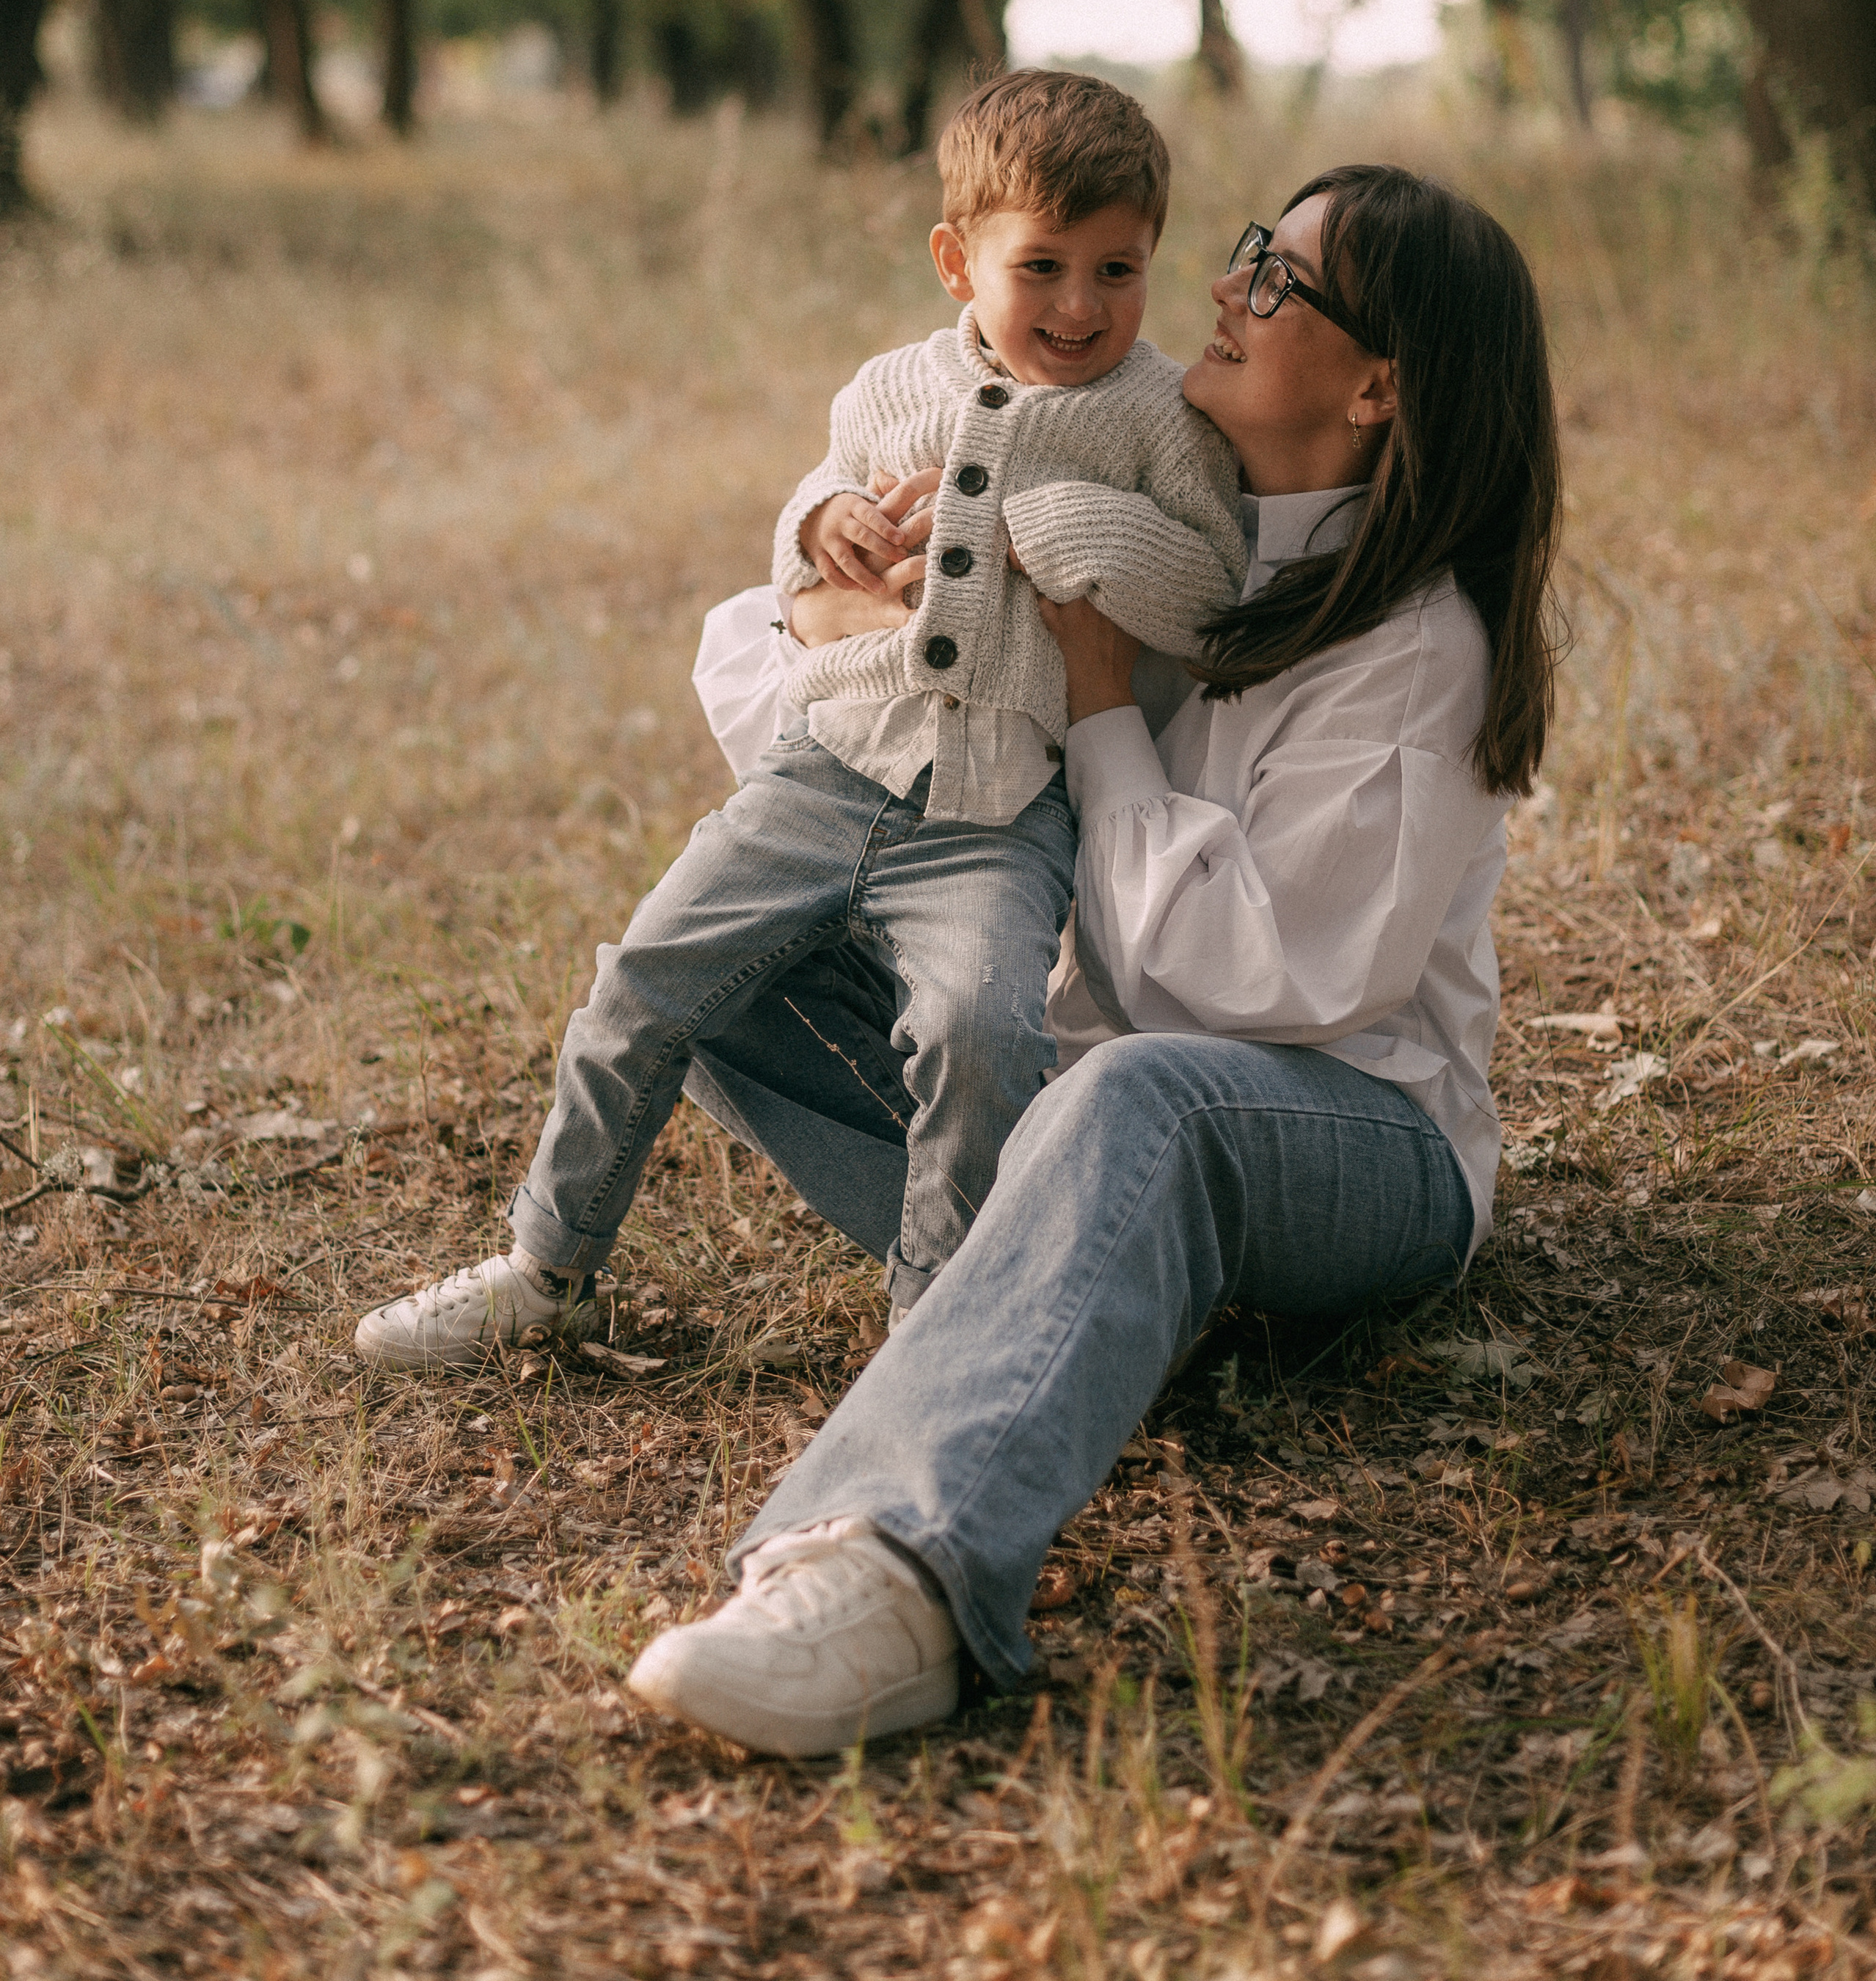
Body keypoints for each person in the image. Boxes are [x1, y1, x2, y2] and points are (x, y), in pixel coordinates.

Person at [625, 161, 1561, 1757]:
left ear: (1375, 385)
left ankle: (892, 1582)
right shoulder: (1165, 514)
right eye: (1248, 249)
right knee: (725, 965)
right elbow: (771, 629)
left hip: (1357, 1142)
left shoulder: (1411, 644)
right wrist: (833, 605)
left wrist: (1103, 703)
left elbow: (1257, 991)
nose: (1221, 284)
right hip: (1111, 1101)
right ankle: (1097, 1294)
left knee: (1143, 1101)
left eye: (1278, 277)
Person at [352, 71, 1245, 1368]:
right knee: (640, 984)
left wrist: (1039, 520)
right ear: (956, 260)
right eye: (1041, 265)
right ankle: (545, 1268)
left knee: (983, 1038)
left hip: (998, 817)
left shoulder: (1156, 414)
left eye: (1120, 270)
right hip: (824, 771)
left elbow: (1210, 586)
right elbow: (815, 522)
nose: (1080, 306)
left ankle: (939, 1337)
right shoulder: (887, 386)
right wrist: (814, 526)